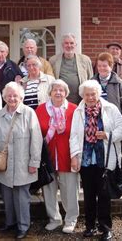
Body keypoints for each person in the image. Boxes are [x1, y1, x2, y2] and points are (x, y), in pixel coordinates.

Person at [69, 80, 122, 240]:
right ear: (83, 95)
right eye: (87, 94)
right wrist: (74, 156)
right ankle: (90, 226)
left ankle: (105, 228)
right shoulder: (78, 111)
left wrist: (108, 136)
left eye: (93, 94)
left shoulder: (110, 108)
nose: (90, 97)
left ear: (98, 93)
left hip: (105, 160)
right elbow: (74, 136)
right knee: (88, 195)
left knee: (104, 195)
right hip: (86, 160)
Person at [0, 82, 42, 239]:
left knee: (22, 197)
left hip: (24, 164)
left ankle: (23, 226)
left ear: (21, 97)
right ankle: (10, 223)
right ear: (4, 97)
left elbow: (36, 140)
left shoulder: (29, 113)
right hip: (5, 166)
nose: (12, 98)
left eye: (15, 95)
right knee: (7, 196)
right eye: (9, 95)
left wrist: (34, 163)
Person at [35, 79, 79, 234]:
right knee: (48, 188)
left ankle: (71, 219)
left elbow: (78, 135)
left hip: (67, 156)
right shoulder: (40, 110)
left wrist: (76, 156)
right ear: (50, 93)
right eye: (55, 90)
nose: (58, 92)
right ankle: (54, 219)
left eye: (61, 90)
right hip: (47, 158)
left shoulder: (74, 110)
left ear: (66, 93)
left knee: (70, 190)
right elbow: (36, 134)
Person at [49, 33, 93, 104]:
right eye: (66, 43)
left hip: (81, 100)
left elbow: (91, 79)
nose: (69, 46)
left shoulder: (85, 60)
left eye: (71, 43)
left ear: (75, 45)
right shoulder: (53, 60)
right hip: (60, 101)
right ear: (62, 45)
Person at [92, 52, 122, 124]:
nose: (101, 68)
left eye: (105, 66)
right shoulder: (91, 83)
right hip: (96, 123)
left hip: (114, 122)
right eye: (99, 66)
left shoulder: (119, 83)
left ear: (111, 66)